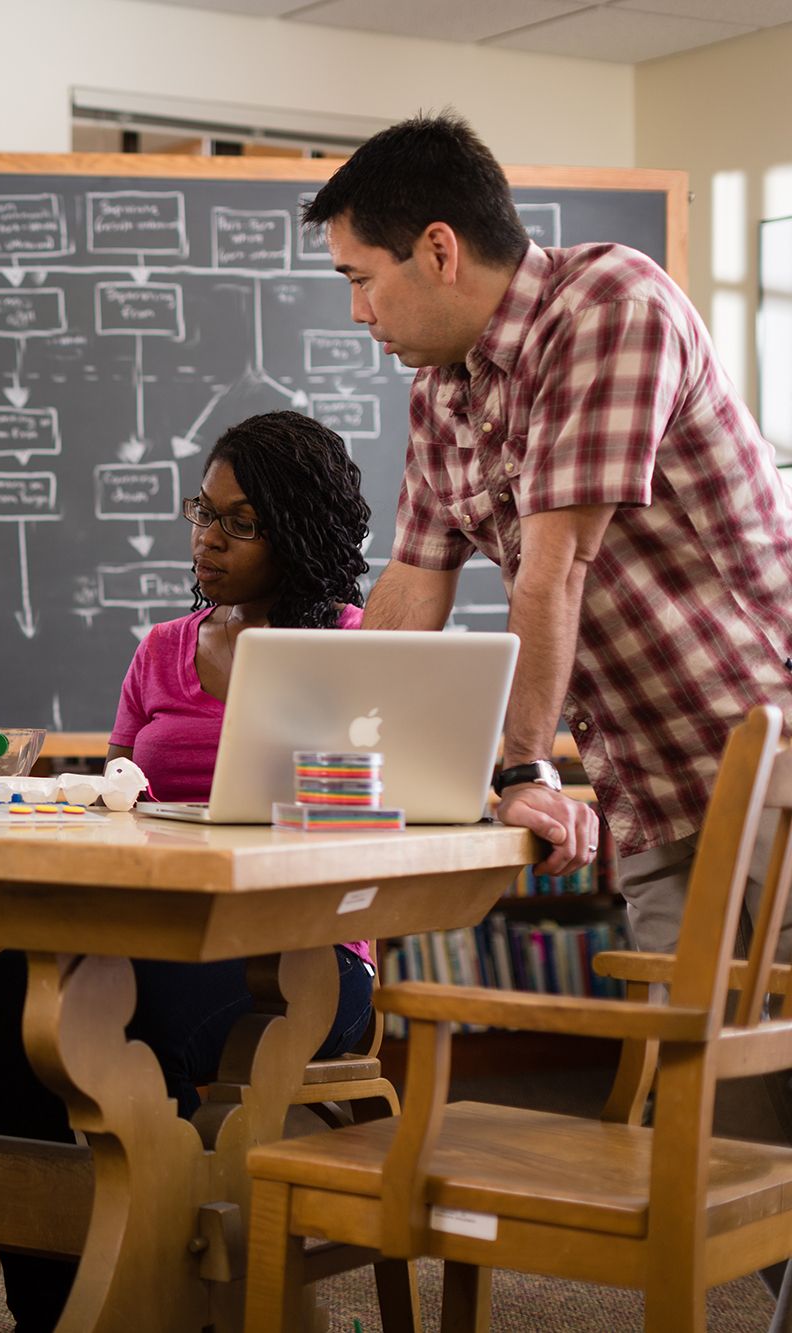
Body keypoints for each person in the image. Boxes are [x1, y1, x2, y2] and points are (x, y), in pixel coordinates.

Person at [303, 112, 792, 958]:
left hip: (769, 760)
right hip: (651, 784)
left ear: (440, 250)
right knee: (690, 1085)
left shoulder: (611, 307)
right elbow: (415, 583)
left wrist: (524, 766)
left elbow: (556, 567)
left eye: (361, 278)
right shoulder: (438, 396)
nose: (356, 312)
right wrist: (330, 754)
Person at [0, 411, 379, 1331]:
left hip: (301, 953)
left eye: (241, 522)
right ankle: (55, 1309)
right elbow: (118, 795)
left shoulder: (352, 642)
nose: (208, 538)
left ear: (298, 532)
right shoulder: (161, 649)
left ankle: (171, 1299)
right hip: (154, 933)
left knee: (143, 1039)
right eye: (202, 510)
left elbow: (373, 822)